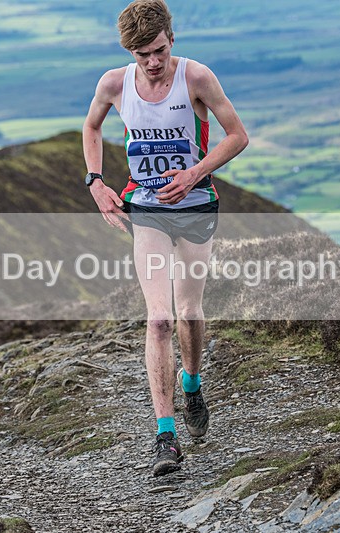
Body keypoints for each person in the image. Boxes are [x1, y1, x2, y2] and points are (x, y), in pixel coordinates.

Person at [82, 0, 248, 476]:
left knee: (189, 313)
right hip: (147, 210)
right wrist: (96, 181)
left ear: (171, 39)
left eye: (157, 51)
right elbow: (91, 126)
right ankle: (165, 435)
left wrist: (195, 173)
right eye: (141, 55)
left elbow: (237, 136)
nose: (152, 63)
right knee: (158, 320)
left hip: (195, 208)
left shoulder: (196, 77)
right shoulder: (114, 84)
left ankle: (191, 383)